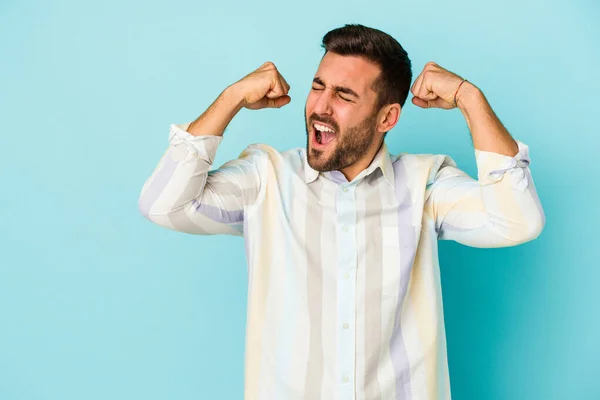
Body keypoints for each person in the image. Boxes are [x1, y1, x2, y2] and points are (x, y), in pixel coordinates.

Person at [138, 24, 545, 400]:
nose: (321, 106)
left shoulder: (424, 184)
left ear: (388, 117)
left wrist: (469, 99)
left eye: (344, 95)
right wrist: (230, 99)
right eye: (318, 87)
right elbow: (164, 204)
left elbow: (518, 220)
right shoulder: (266, 178)